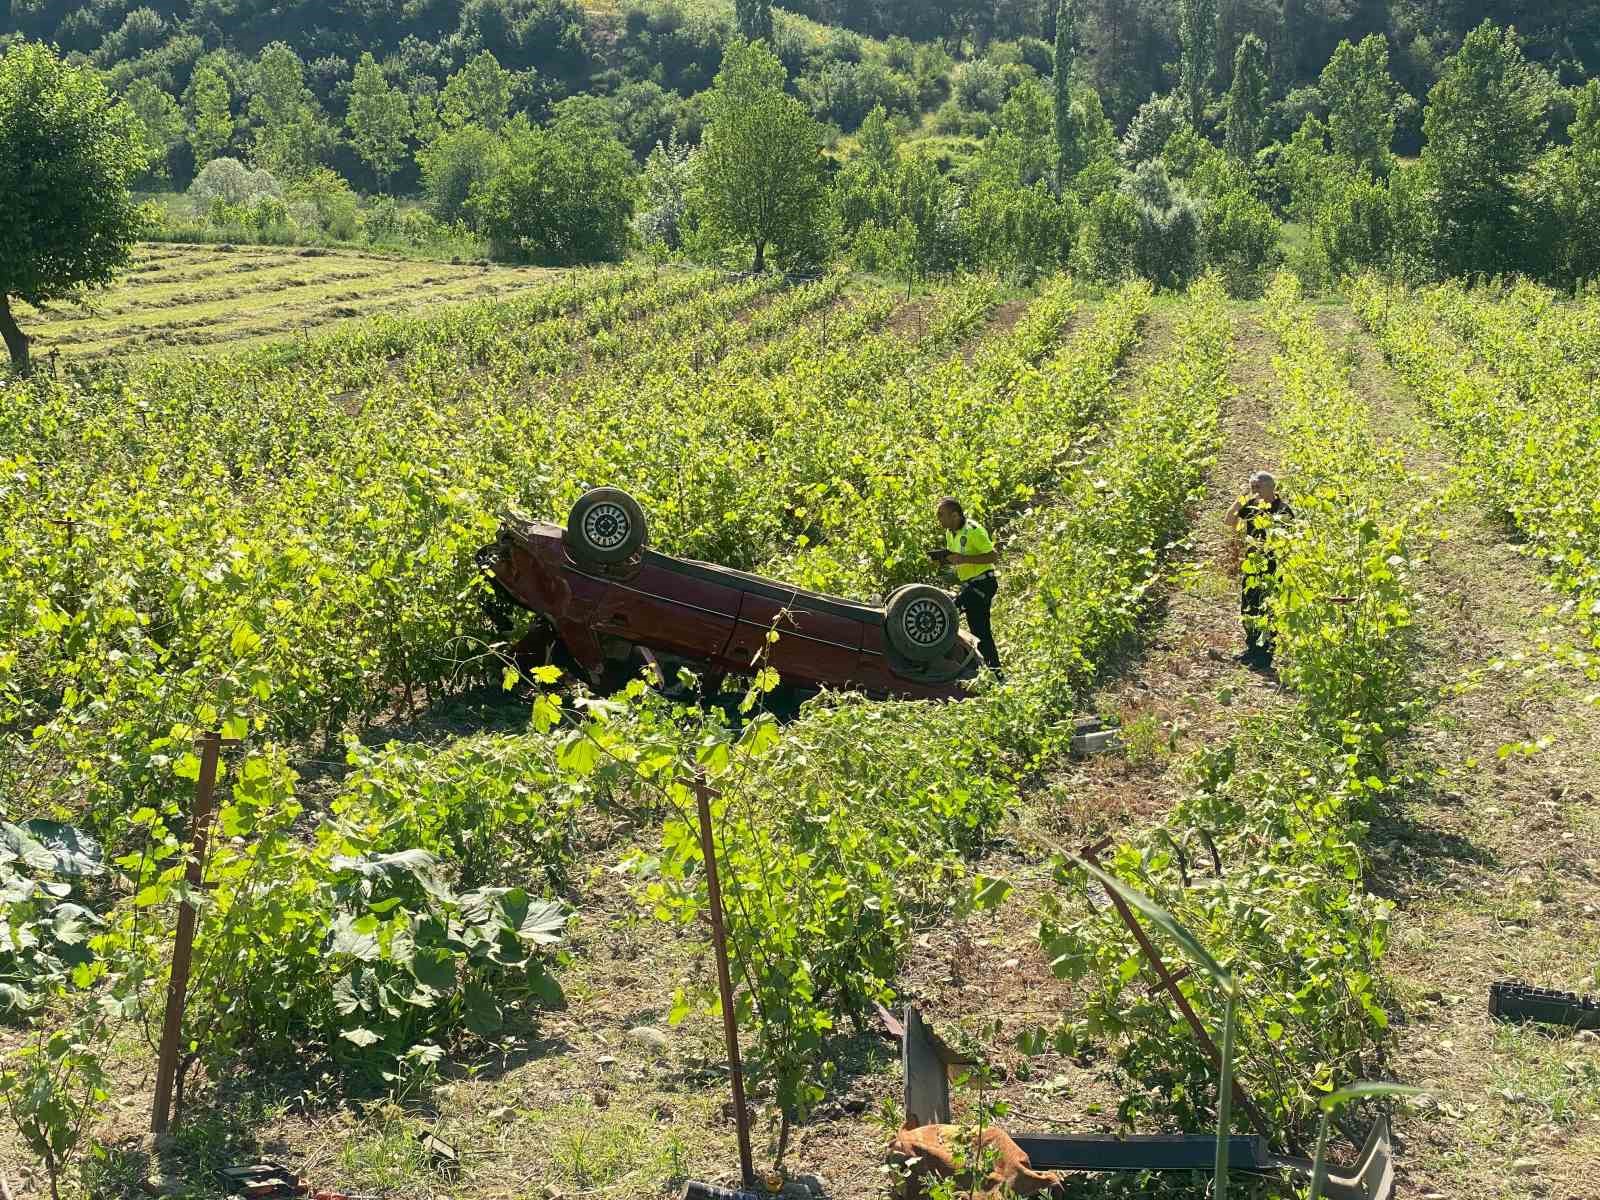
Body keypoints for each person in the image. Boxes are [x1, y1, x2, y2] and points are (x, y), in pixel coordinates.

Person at [1225, 470, 1294, 669]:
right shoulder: (1251, 506)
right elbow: (1229, 521)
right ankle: (1252, 650)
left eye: (1257, 487)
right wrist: (1242, 499)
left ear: (1271, 488)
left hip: (1273, 569)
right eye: (1252, 487)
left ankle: (1264, 658)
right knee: (1249, 607)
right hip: (1252, 566)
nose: (1254, 491)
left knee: (1268, 612)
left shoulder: (1282, 510)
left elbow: (1291, 540)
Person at [934, 498, 1002, 677]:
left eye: (941, 515)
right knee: (980, 632)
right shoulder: (950, 533)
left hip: (983, 584)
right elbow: (957, 558)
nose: (939, 519)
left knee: (947, 612)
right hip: (970, 584)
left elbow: (993, 557)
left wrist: (964, 560)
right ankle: (993, 673)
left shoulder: (974, 530)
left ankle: (949, 666)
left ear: (955, 515)